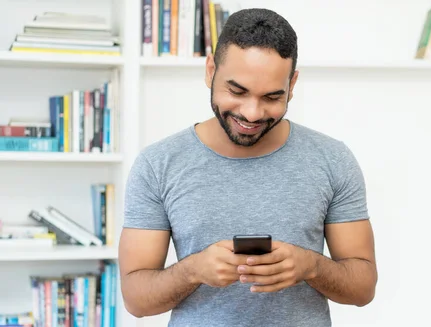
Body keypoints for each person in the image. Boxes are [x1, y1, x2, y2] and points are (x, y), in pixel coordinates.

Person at [118, 7, 377, 327]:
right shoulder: (158, 164)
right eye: (236, 91)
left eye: (271, 97)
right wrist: (194, 270)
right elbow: (135, 299)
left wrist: (311, 266)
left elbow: (363, 288)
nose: (252, 113)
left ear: (292, 84)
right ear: (210, 70)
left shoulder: (333, 159)